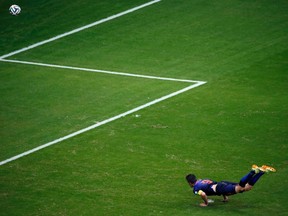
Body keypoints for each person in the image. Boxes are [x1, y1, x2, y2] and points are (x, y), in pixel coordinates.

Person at [186, 164, 276, 207]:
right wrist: (225, 197)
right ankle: (262, 171)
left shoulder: (196, 188)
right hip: (222, 184)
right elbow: (214, 186)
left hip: (221, 188)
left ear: (190, 183)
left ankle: (252, 171)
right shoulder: (202, 180)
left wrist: (206, 203)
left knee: (241, 187)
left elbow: (203, 194)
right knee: (247, 187)